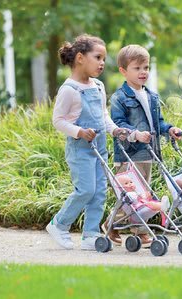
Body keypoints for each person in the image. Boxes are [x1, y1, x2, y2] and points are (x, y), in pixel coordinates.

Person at [46, 34, 127, 251]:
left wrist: (114, 129)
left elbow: (103, 115)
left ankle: (90, 235)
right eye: (98, 57)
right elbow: (58, 121)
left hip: (100, 149)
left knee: (99, 191)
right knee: (85, 190)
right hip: (80, 150)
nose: (102, 63)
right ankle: (58, 224)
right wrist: (79, 131)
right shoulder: (69, 90)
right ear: (80, 58)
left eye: (104, 58)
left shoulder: (98, 86)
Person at [106, 44, 182, 247]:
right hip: (129, 153)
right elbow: (118, 125)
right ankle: (121, 225)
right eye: (137, 68)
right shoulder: (119, 98)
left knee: (144, 195)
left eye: (146, 67)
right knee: (130, 194)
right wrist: (135, 134)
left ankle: (128, 226)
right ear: (123, 71)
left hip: (149, 153)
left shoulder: (152, 96)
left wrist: (170, 129)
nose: (143, 72)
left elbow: (157, 122)